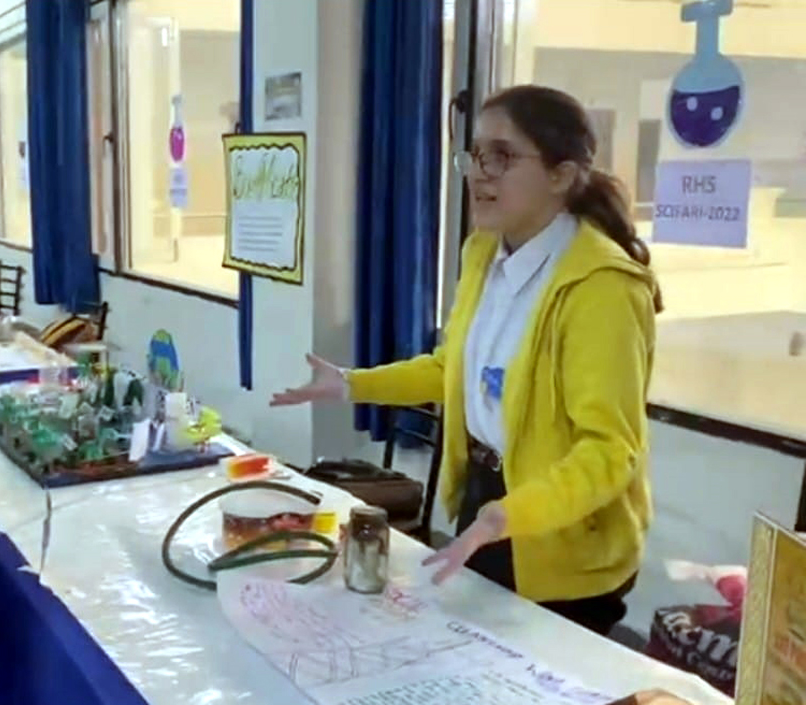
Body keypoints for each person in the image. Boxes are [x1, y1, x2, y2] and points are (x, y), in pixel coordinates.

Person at [272, 85, 660, 637]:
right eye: (475, 155)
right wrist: (351, 385)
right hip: (485, 502)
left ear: (561, 174)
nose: (480, 173)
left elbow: (609, 452)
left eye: (502, 156)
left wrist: (512, 514)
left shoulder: (603, 287)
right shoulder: (484, 251)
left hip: (561, 529)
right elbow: (450, 368)